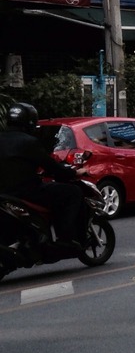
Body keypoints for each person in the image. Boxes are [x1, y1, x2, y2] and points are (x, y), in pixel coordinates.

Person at [0, 102, 87, 253]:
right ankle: (65, 239)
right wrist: (74, 173)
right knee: (73, 192)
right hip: (26, 193)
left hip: (5, 194)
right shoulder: (29, 142)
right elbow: (51, 166)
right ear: (30, 122)